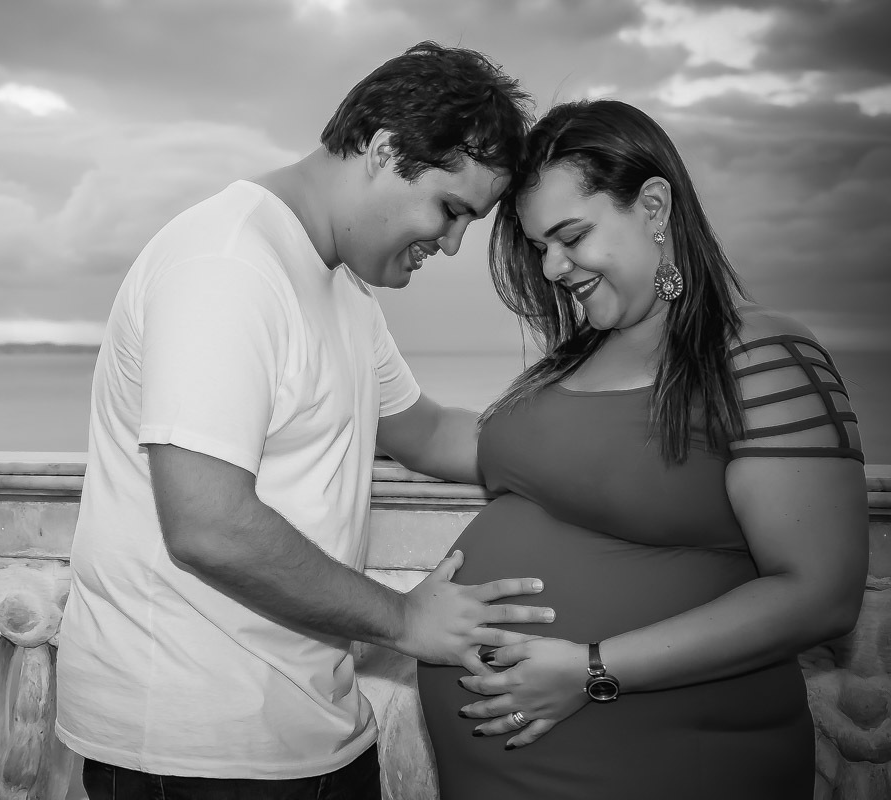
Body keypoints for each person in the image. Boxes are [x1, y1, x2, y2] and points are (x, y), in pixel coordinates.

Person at [56, 42, 554, 799]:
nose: (452, 244)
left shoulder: (344, 288)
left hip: (317, 734)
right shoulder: (227, 266)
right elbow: (207, 524)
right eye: (451, 211)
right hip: (196, 757)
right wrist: (406, 621)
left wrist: (602, 445)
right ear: (386, 149)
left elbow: (428, 432)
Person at [416, 98, 869, 799]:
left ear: (653, 207)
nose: (555, 266)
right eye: (539, 247)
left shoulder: (760, 356)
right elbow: (452, 439)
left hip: (669, 766)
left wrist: (591, 668)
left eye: (570, 236)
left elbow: (820, 595)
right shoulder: (569, 365)